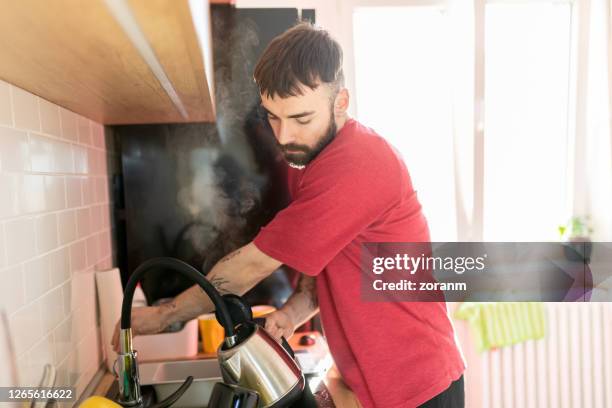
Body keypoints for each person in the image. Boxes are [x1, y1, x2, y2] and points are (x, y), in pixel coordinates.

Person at [112, 22, 465, 408]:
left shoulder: (359, 164)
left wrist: (165, 316)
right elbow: (322, 273)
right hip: (365, 385)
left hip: (417, 385)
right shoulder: (312, 162)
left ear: (341, 101)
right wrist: (292, 313)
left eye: (300, 119)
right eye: (273, 117)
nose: (283, 137)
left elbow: (252, 266)